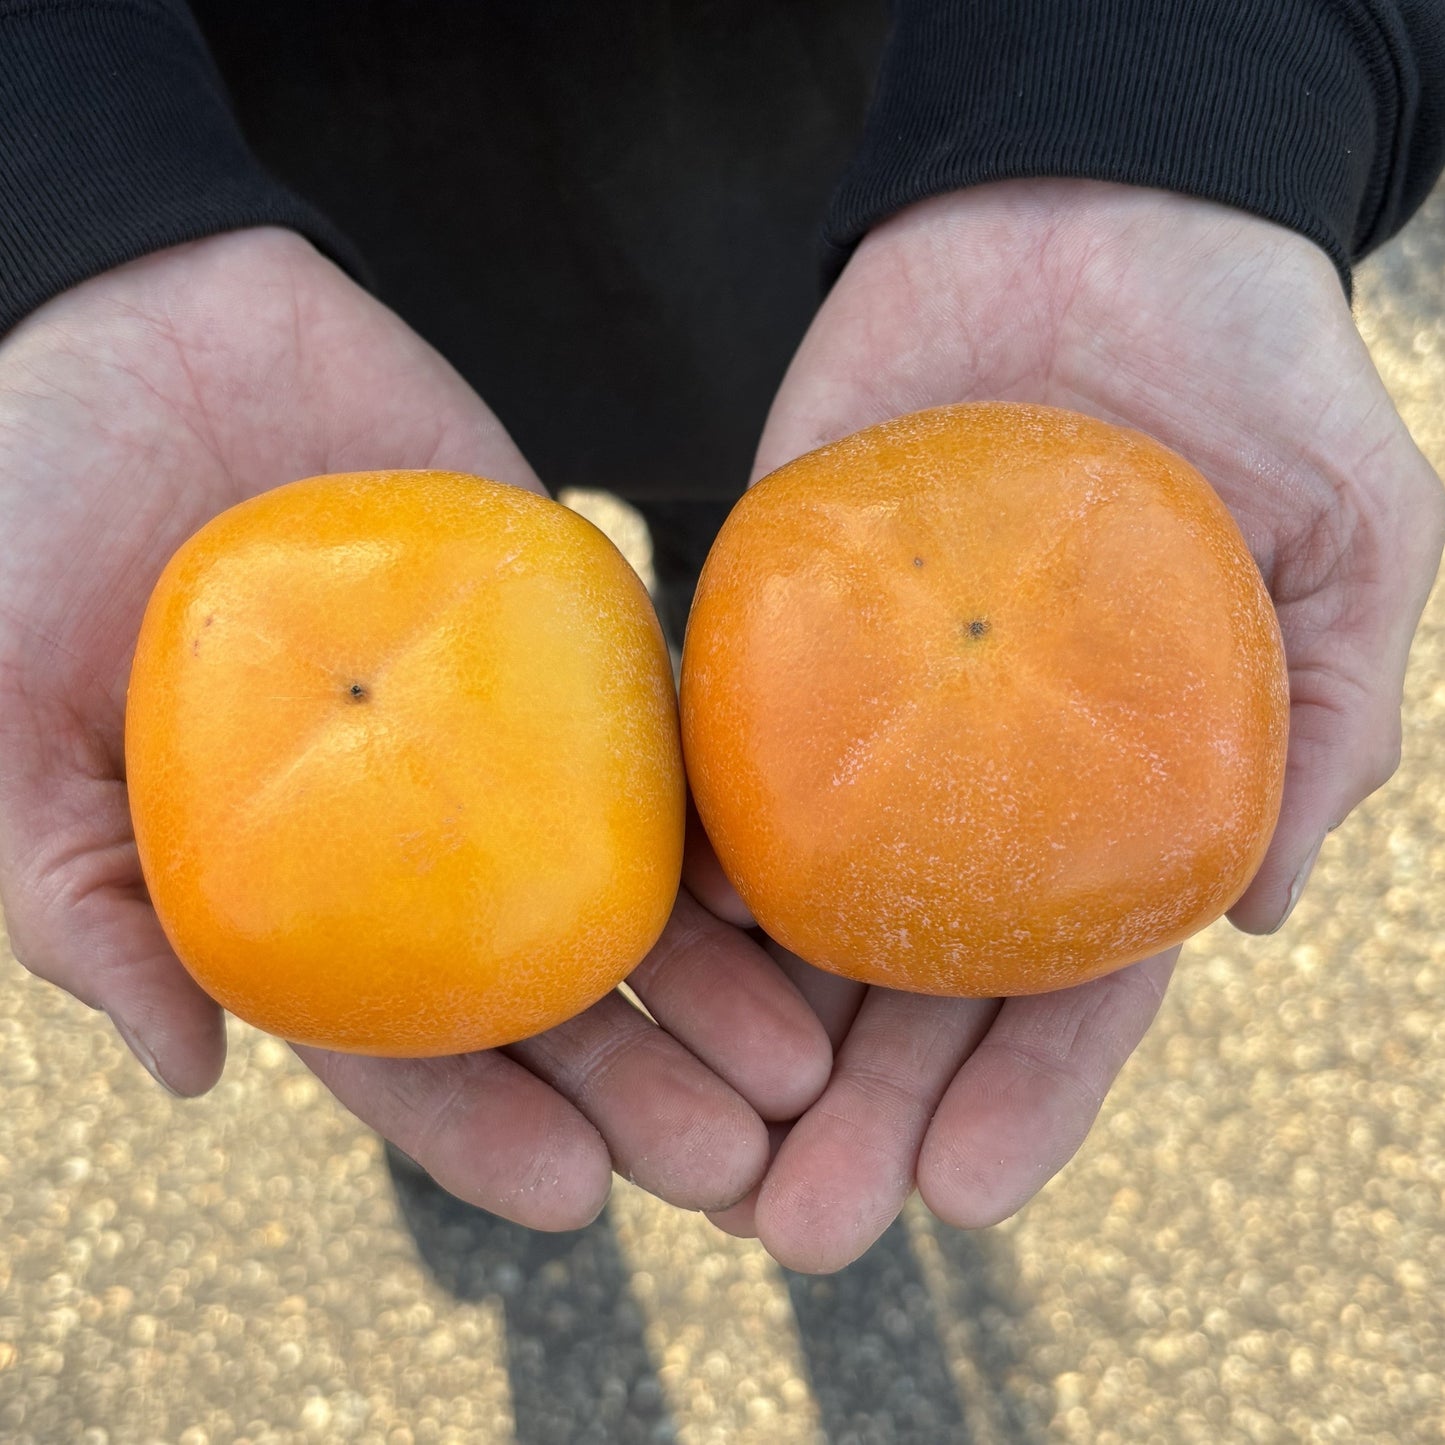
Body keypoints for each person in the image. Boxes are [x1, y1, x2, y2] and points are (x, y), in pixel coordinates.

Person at [0, 0, 1441, 1276]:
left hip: (897, 146)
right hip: (259, 157)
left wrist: (1175, 84)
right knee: (759, 624)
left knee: (758, 608)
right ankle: (461, 957)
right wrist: (64, 197)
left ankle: (585, 841)